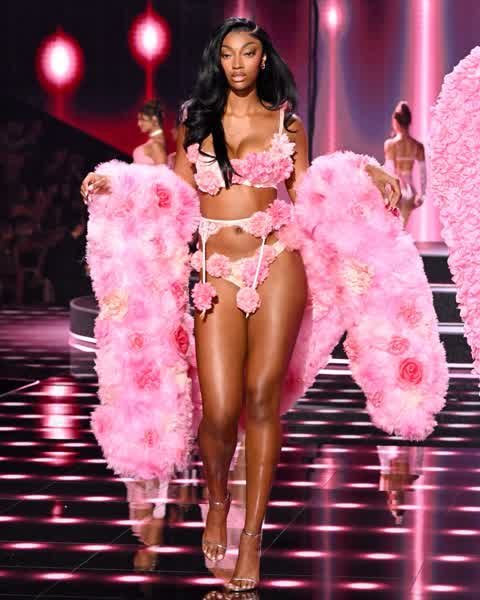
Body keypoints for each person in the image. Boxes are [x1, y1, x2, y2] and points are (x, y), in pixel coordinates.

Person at [81, 19, 453, 593]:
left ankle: (252, 538)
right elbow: (173, 195)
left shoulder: (287, 123)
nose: (238, 62)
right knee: (218, 409)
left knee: (261, 399)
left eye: (248, 52)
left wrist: (366, 172)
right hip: (214, 272)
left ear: (262, 59)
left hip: (277, 262)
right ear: (218, 60)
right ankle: (216, 501)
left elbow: (309, 191)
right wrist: (118, 187)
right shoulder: (196, 123)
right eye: (228, 53)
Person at [384, 101, 426, 226]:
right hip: (410, 191)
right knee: (401, 228)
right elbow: (423, 174)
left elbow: (389, 171)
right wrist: (422, 195)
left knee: (394, 229)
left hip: (395, 190)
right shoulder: (417, 146)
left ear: (395, 122)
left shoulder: (390, 144)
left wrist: (386, 194)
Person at [133, 99, 168, 165]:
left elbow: (162, 171)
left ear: (155, 119)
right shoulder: (156, 142)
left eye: (142, 119)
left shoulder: (156, 145)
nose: (138, 124)